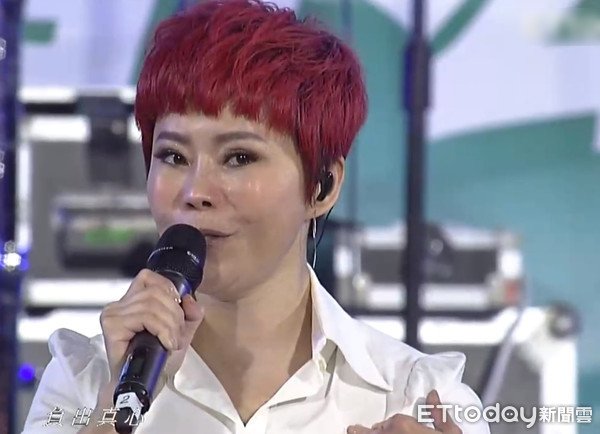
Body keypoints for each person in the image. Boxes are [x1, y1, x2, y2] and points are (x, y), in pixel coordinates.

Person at [21, 1, 490, 433]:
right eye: (173, 156)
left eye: (239, 157)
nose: (195, 192)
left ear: (322, 186)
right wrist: (114, 410)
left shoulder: (416, 396)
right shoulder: (82, 385)